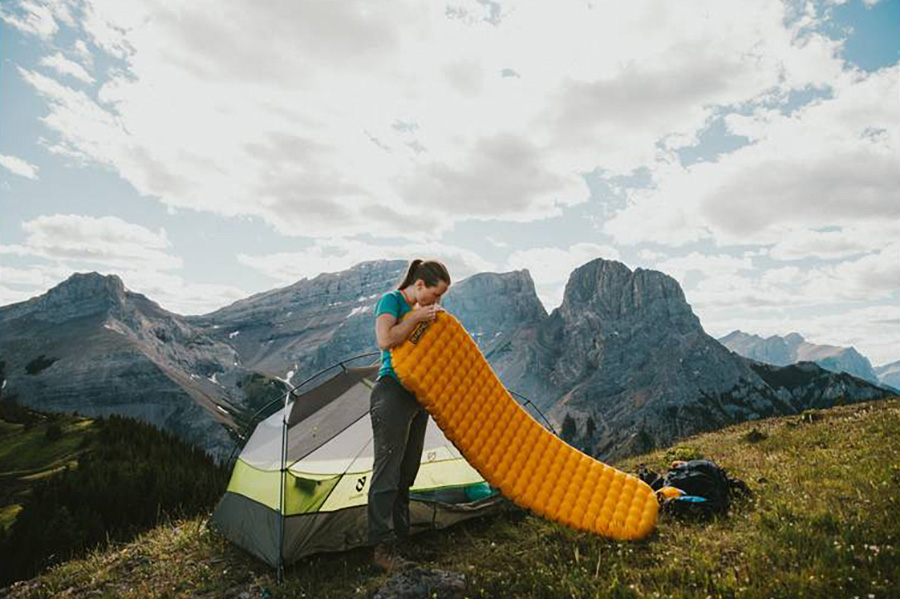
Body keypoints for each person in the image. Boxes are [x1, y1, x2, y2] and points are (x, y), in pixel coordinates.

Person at [368, 259, 451, 573]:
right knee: (387, 470)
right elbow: (385, 339)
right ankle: (381, 548)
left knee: (407, 471)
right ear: (419, 286)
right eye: (434, 294)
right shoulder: (391, 301)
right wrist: (416, 315)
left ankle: (401, 540)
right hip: (391, 392)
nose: (437, 302)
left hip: (418, 396)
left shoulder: (426, 311)